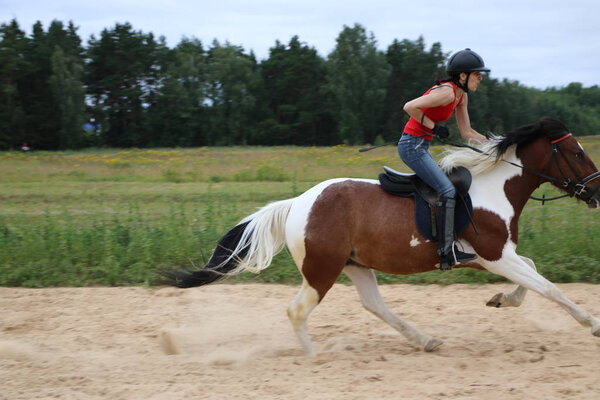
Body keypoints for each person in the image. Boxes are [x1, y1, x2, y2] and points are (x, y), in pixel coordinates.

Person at [399, 48, 490, 270]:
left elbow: (467, 133)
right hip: (412, 147)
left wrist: (493, 144)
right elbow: (409, 106)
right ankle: (446, 251)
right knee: (447, 190)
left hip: (422, 146)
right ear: (462, 76)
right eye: (477, 74)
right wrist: (434, 127)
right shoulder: (447, 93)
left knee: (451, 187)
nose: (481, 78)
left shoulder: (461, 96)